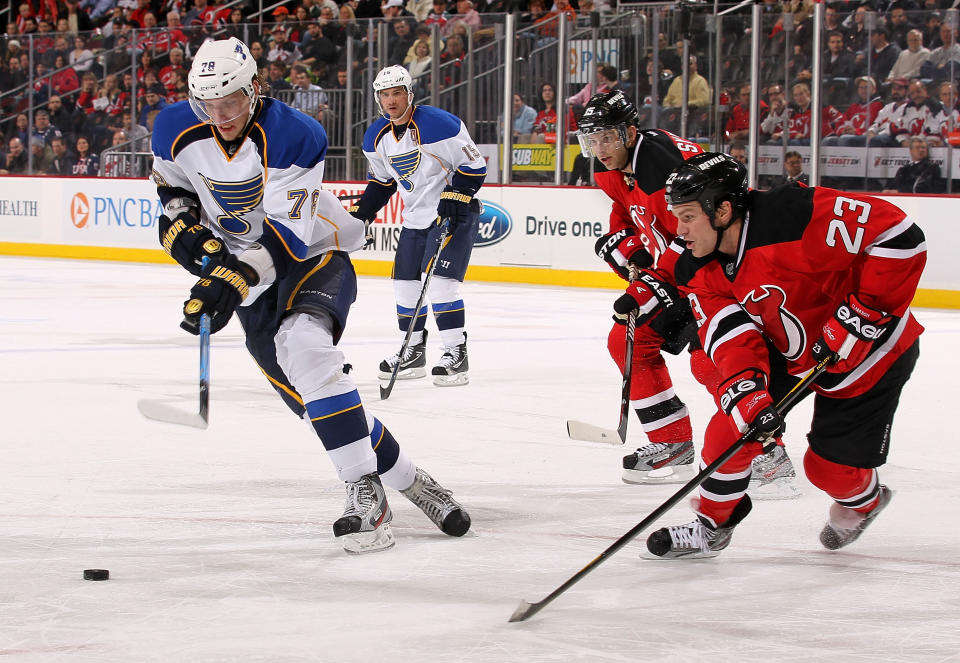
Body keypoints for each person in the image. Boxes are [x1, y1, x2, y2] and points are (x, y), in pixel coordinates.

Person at [150, 39, 470, 554]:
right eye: (207, 105)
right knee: (327, 406)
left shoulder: (295, 134)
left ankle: (368, 498)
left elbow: (286, 236)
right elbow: (172, 189)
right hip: (249, 277)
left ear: (253, 89)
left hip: (310, 255)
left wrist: (227, 280)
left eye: (230, 102)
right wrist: (189, 235)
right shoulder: (172, 127)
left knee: (306, 350)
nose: (220, 116)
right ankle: (414, 481)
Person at [645, 152, 925, 558]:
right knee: (733, 428)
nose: (679, 229)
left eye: (687, 216)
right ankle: (712, 524)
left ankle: (863, 502)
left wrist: (865, 312)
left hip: (874, 352)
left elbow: (899, 235)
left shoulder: (795, 214)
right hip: (793, 349)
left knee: (827, 470)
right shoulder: (697, 268)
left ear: (722, 209)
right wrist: (746, 391)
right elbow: (730, 334)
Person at [575, 91, 799, 495]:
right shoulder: (612, 170)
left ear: (629, 131)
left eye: (607, 138)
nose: (599, 149)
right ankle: (672, 442)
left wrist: (656, 279)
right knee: (628, 339)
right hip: (683, 271)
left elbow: (693, 231)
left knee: (709, 358)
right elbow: (623, 213)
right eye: (592, 140)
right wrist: (627, 247)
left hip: (717, 270)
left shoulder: (662, 165)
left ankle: (768, 449)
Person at [350, 65, 486, 386]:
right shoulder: (376, 137)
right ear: (377, 99)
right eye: (385, 95)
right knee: (405, 284)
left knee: (439, 283)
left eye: (397, 93)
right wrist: (361, 216)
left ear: (410, 94)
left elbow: (474, 165)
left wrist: (458, 193)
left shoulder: (441, 125)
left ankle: (456, 352)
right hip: (414, 219)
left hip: (452, 214)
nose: (391, 100)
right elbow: (382, 184)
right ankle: (413, 349)